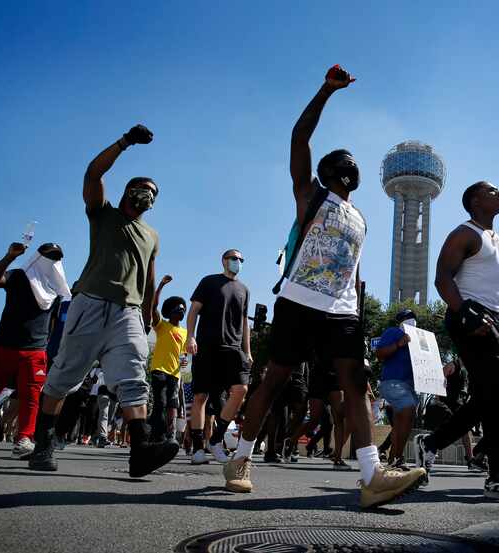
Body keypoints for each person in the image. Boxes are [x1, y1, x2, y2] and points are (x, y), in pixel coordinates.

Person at [223, 64, 425, 509]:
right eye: (343, 158)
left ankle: (372, 475)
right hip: (299, 300)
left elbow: (353, 270)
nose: (351, 161)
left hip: (343, 310)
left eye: (354, 160)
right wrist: (326, 92)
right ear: (329, 170)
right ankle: (240, 458)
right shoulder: (311, 196)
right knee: (275, 379)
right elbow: (299, 137)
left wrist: (360, 313)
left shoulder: (361, 218)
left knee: (357, 385)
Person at [27, 123, 179, 477]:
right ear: (128, 191)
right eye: (142, 188)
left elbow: (148, 274)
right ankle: (43, 443)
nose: (148, 195)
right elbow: (93, 172)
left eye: (153, 193)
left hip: (128, 312)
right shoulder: (103, 213)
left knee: (131, 378)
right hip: (91, 302)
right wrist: (125, 142)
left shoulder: (152, 235)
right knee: (66, 374)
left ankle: (140, 450)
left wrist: (147, 313)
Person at [414, 181, 499, 501]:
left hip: (494, 318)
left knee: (489, 396)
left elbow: (498, 287)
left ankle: (431, 444)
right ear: (475, 201)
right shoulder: (464, 234)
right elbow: (442, 278)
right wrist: (466, 314)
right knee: (498, 390)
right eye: (492, 191)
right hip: (469, 317)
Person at [0, 242, 70, 458]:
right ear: (37, 256)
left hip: (35, 351)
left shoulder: (56, 288)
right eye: (48, 255)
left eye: (56, 257)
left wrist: (46, 347)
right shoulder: (18, 275)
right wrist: (9, 257)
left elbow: (52, 323)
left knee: (31, 397)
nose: (52, 260)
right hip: (5, 345)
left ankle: (24, 439)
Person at [185, 249, 251, 464]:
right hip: (207, 346)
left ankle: (215, 440)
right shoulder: (209, 282)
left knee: (240, 389)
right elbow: (194, 310)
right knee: (200, 397)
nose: (237, 262)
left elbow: (244, 323)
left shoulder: (244, 289)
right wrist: (190, 337)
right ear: (224, 261)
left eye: (240, 259)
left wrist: (247, 351)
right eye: (234, 258)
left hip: (233, 349)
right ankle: (197, 449)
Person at [375, 309, 419, 466]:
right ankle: (398, 458)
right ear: (400, 321)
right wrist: (398, 344)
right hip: (393, 382)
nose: (412, 320)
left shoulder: (418, 339)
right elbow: (379, 354)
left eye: (413, 318)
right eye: (408, 318)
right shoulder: (392, 332)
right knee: (408, 410)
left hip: (409, 386)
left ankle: (394, 459)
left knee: (402, 422)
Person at [148, 275, 188, 443]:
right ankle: (156, 434)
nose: (182, 310)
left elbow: (183, 353)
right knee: (160, 403)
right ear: (170, 311)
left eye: (183, 308)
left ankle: (170, 435)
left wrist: (184, 360)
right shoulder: (162, 326)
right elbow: (153, 306)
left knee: (173, 404)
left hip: (175, 374)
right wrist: (161, 287)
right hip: (159, 370)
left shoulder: (186, 333)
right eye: (178, 308)